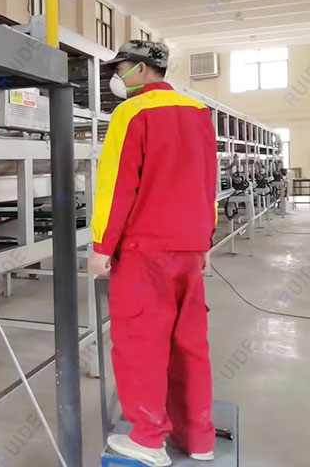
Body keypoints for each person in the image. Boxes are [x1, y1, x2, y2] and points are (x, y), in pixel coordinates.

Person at [88, 40, 218, 467]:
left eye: (121, 67)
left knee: (140, 343)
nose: (117, 76)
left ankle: (148, 439)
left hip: (145, 252)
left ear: (142, 69)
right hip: (189, 248)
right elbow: (208, 182)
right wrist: (205, 240)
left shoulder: (132, 113)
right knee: (189, 344)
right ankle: (198, 437)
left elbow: (116, 185)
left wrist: (102, 246)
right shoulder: (198, 113)